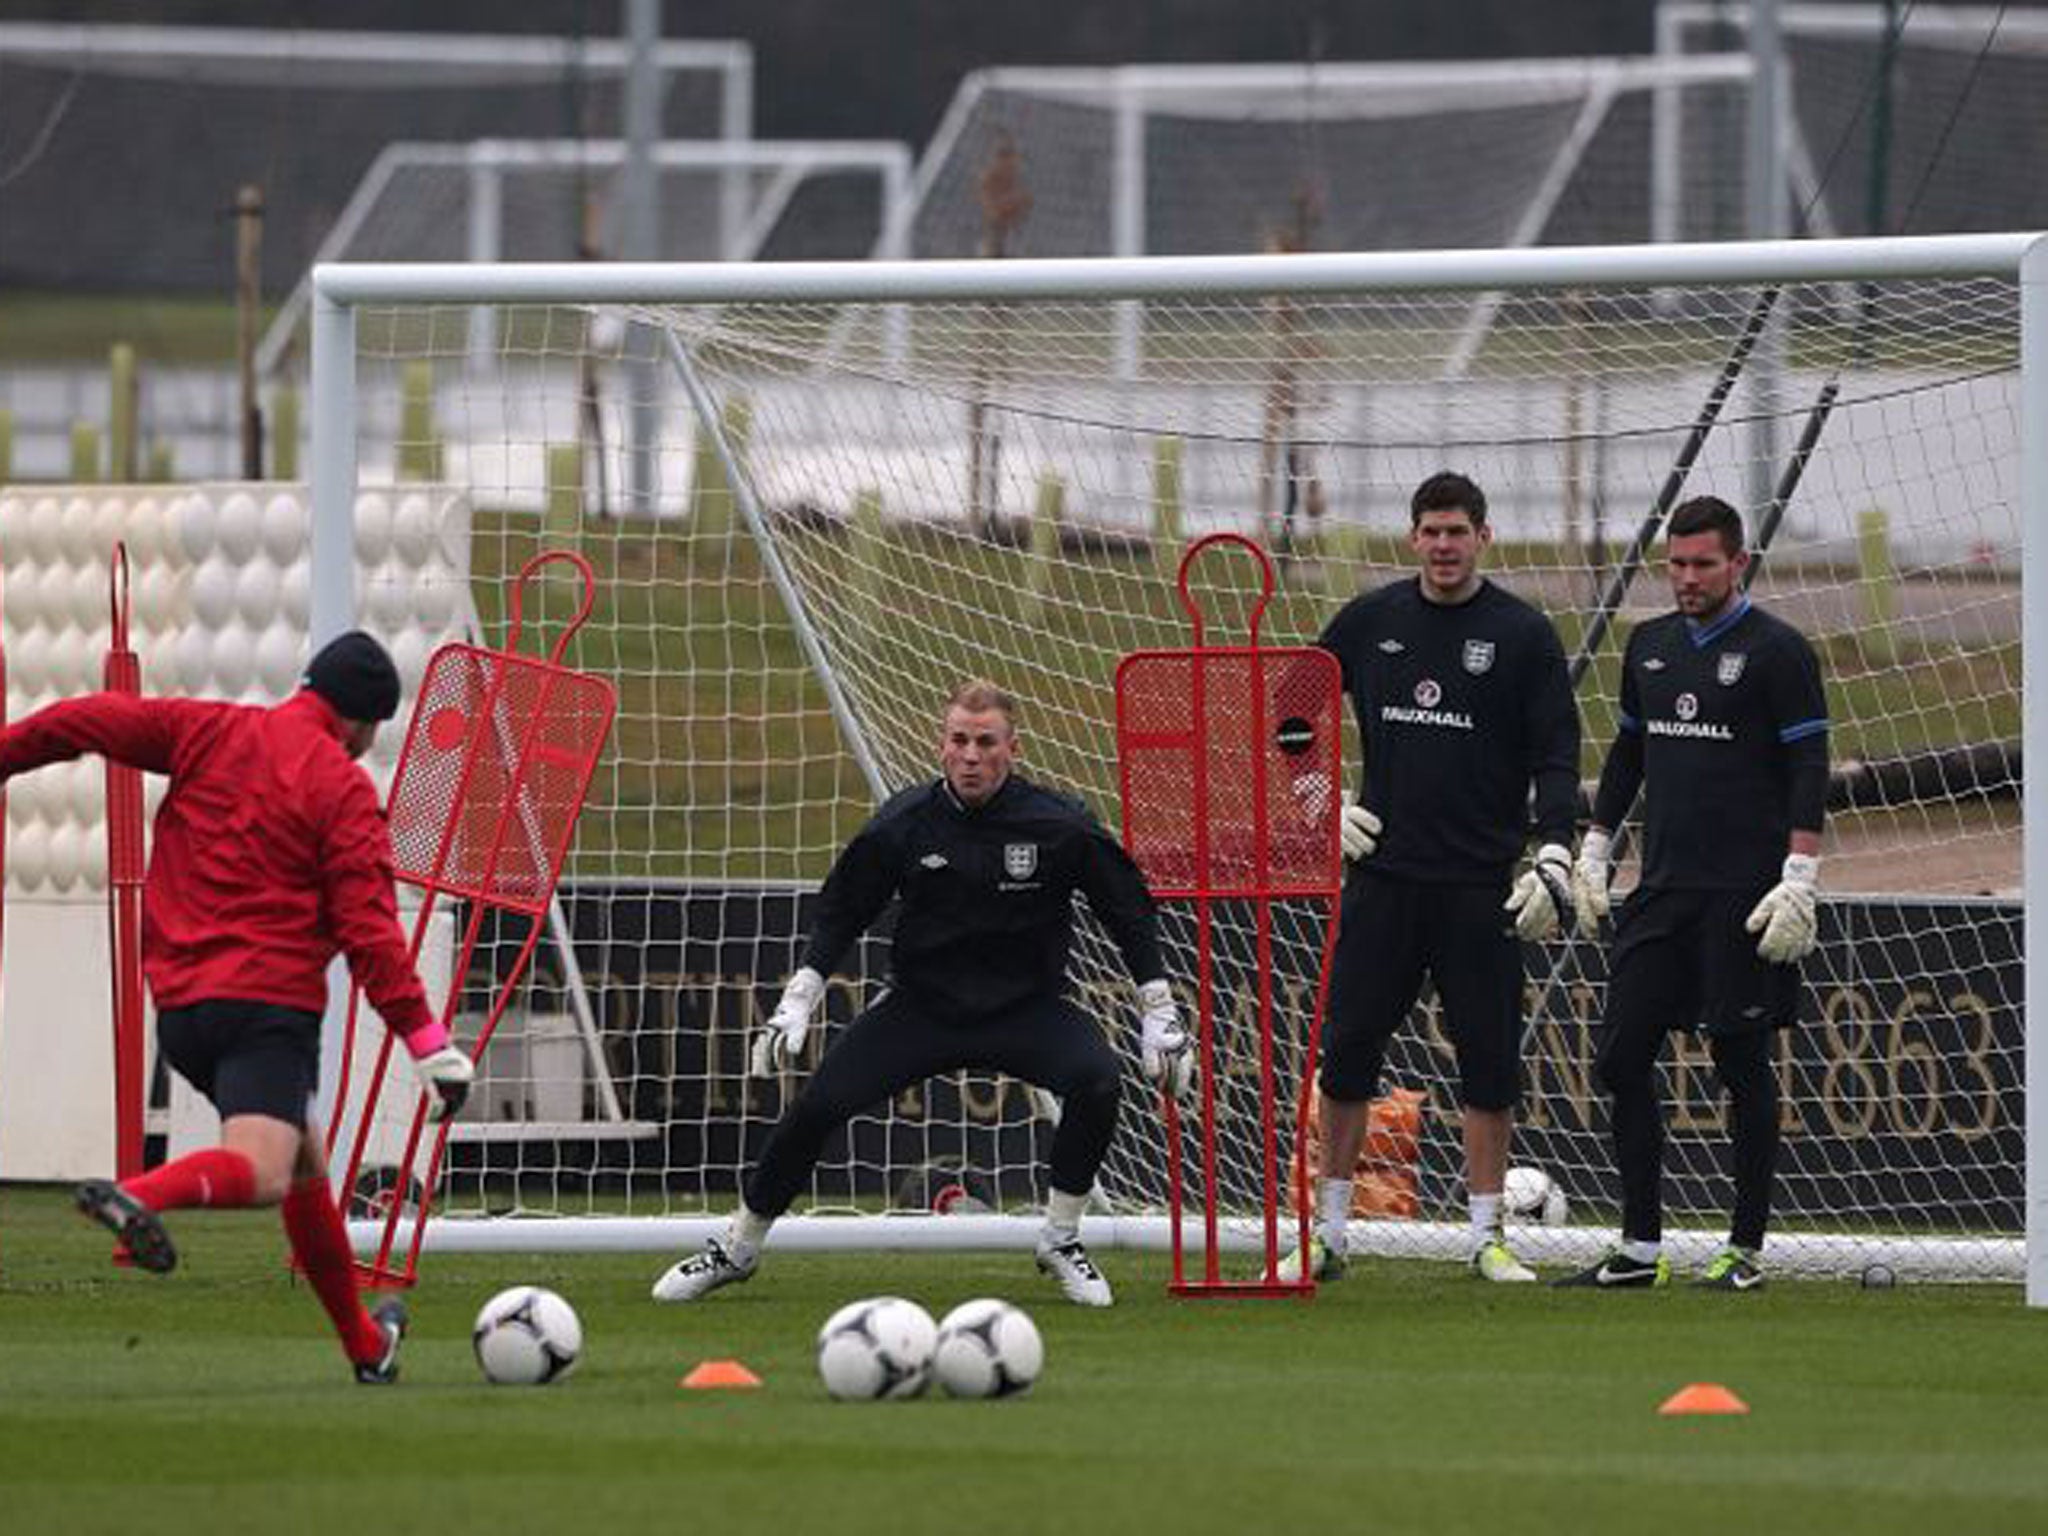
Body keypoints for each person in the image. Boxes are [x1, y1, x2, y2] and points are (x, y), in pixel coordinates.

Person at [0, 630, 476, 1382]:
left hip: (182, 1010)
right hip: (266, 1007)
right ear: (363, 724)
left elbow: (84, 719)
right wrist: (425, 1041)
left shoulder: (206, 728)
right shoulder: (341, 786)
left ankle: (364, 1343)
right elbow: (368, 929)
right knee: (263, 1173)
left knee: (306, 1162)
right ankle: (136, 1194)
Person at [652, 679, 1189, 1309]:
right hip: (920, 1008)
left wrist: (1160, 1010)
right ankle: (737, 1248)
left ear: (1012, 749)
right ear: (941, 748)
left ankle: (1061, 1240)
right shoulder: (904, 824)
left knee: (1098, 1081)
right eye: (959, 740)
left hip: (1027, 1009)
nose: (970, 755)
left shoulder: (1059, 825)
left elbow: (1126, 909)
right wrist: (798, 997)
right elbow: (842, 912)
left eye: (985, 742)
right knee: (819, 1104)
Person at [1282, 470, 1579, 1285]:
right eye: (1431, 532)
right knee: (1346, 1053)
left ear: (1484, 537)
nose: (1444, 546)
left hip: (1479, 886)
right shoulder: (1373, 620)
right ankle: (1330, 1230)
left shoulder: (1521, 635)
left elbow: (1557, 755)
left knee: (1487, 1063)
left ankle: (1487, 1238)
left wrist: (1553, 851)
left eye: (1459, 532)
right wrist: (1316, 803)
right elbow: (1290, 706)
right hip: (1383, 879)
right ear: (1412, 537)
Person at [1559, 495, 1828, 1291]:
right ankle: (1640, 1248)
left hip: (1743, 895)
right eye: (1675, 564)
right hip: (1664, 890)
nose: (1686, 578)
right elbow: (1629, 759)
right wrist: (1597, 846)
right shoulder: (1647, 646)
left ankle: (1744, 1251)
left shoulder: (1779, 653)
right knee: (1618, 1058)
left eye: (1702, 564)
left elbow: (1809, 769)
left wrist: (1799, 875)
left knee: (1741, 1061)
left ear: (1737, 564)